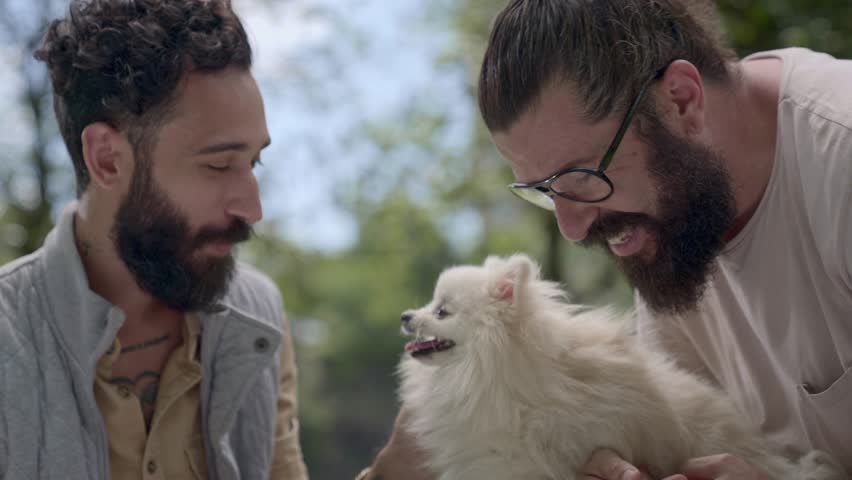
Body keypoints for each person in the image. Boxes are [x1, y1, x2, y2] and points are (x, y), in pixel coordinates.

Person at [360, 0, 852, 478]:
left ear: (681, 100)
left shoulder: (837, 161)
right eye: (546, 192)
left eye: (581, 177)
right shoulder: (672, 225)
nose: (572, 229)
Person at [0, 0, 309, 478]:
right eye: (218, 165)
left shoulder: (258, 317)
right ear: (107, 159)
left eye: (253, 163)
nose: (253, 209)